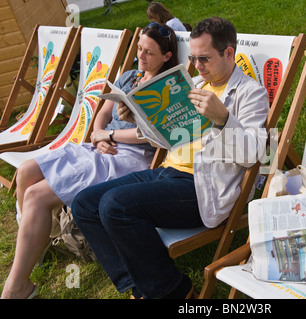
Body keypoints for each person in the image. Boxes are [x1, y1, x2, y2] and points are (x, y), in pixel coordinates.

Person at [71, 17, 269, 299]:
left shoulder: (250, 93)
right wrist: (138, 119)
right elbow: (166, 137)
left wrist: (224, 119)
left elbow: (255, 155)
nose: (197, 66)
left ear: (228, 53)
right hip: (166, 170)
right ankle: (139, 287)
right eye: (193, 58)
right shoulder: (195, 83)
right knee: (84, 204)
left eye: (204, 58)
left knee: (115, 205)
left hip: (201, 186)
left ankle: (173, 291)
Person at [0, 23, 179, 299]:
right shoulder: (130, 76)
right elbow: (103, 112)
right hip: (101, 145)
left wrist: (109, 134)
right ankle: (36, 246)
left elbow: (151, 137)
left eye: (149, 53)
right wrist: (97, 133)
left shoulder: (166, 89)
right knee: (25, 172)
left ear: (167, 56)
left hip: (126, 158)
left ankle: (18, 287)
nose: (141, 57)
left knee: (36, 195)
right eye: (139, 49)